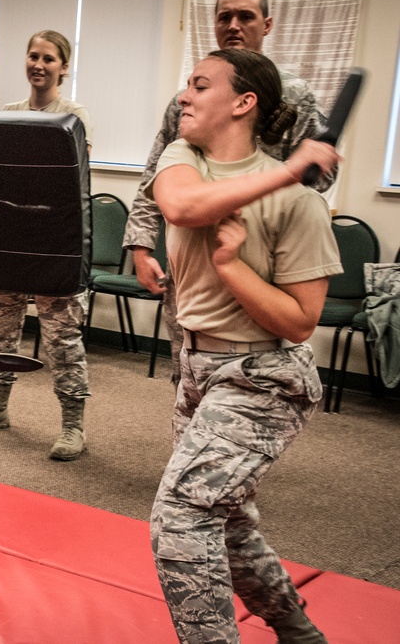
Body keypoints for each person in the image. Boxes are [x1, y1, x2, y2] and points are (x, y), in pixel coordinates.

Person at [146, 48, 341, 644]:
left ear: (243, 102)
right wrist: (290, 167)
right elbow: (179, 206)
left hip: (264, 374)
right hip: (195, 366)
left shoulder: (299, 204)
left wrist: (234, 270)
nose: (184, 95)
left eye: (199, 85)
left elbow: (302, 321)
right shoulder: (184, 158)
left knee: (183, 516)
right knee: (226, 523)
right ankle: (296, 628)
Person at [123, 0, 333, 385]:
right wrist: (140, 246)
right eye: (224, 17)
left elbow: (314, 177)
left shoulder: (296, 96)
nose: (233, 25)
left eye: (246, 16)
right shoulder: (187, 103)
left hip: (258, 252)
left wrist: (262, 190)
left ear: (267, 24)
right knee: (190, 365)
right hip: (194, 249)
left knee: (252, 370)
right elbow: (156, 173)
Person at [0, 30, 92, 462]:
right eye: (32, 55)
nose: (39, 64)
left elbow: (67, 183)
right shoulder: (6, 115)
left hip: (53, 244)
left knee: (62, 342)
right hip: (8, 240)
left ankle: (73, 426)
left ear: (63, 67)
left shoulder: (73, 115)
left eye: (48, 58)